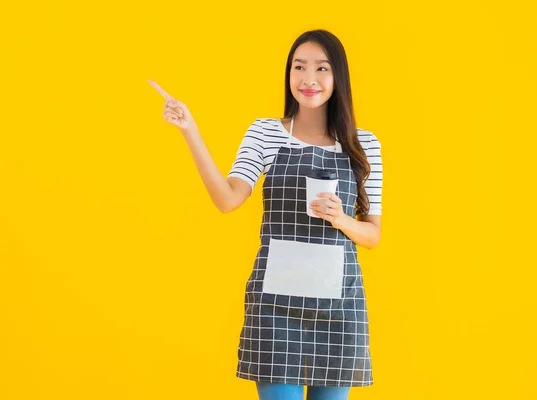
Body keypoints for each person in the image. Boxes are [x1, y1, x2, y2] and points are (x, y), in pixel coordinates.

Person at [150, 29, 382, 400]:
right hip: (276, 306)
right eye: (298, 67)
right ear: (288, 74)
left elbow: (372, 236)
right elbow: (227, 199)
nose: (308, 79)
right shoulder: (265, 133)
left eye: (321, 68)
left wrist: (341, 219)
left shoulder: (363, 144)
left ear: (338, 77)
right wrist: (190, 130)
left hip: (340, 306)